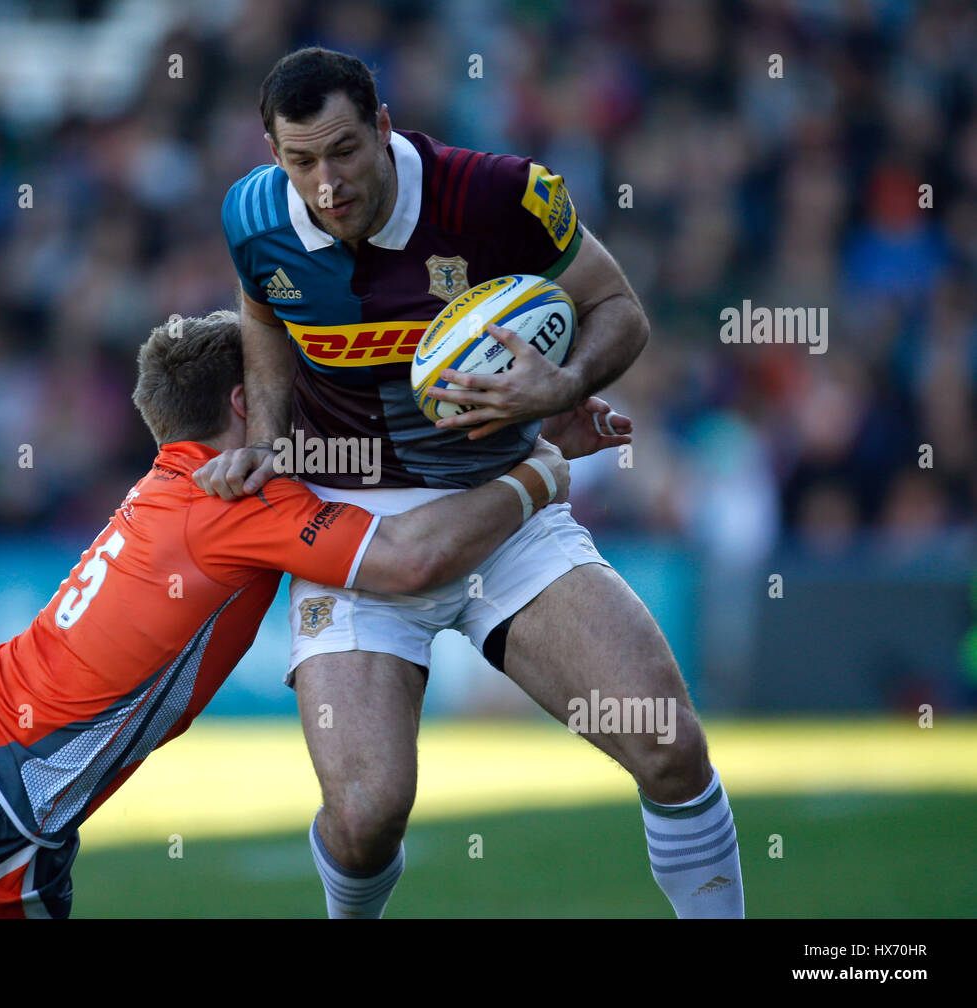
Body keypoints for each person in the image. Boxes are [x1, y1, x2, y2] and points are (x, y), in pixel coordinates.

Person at [0, 309, 624, 919]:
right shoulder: (238, 503)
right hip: (8, 795)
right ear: (248, 400)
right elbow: (415, 556)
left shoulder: (176, 481)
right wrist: (540, 469)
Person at [198, 46, 744, 919]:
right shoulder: (254, 216)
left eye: (343, 151)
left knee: (669, 747)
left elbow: (618, 309)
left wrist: (563, 387)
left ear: (383, 126)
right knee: (367, 815)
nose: (326, 184)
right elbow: (261, 306)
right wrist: (266, 437)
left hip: (504, 510)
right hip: (351, 532)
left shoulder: (495, 194)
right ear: (273, 155)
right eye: (299, 161)